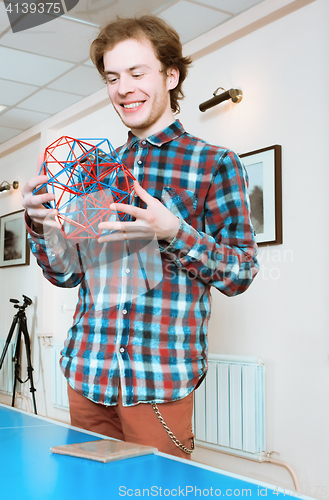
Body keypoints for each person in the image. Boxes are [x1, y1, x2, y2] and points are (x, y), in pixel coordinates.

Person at [22, 15, 259, 459]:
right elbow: (68, 275)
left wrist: (173, 231)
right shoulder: (94, 170)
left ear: (171, 75)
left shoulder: (214, 164)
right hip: (87, 376)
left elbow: (241, 272)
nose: (123, 87)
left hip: (159, 384)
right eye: (112, 77)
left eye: (136, 72)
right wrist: (40, 228)